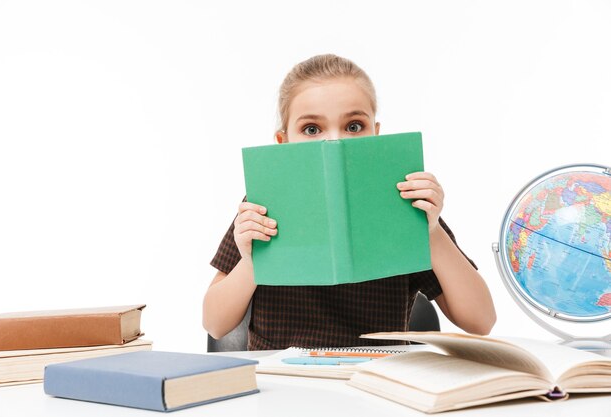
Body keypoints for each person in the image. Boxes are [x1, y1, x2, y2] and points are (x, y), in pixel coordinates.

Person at [203, 54, 496, 350]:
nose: (334, 142)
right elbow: (215, 324)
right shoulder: (263, 205)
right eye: (312, 129)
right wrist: (254, 261)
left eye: (354, 126)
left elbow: (480, 321)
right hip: (284, 385)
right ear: (284, 141)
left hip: (375, 381)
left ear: (375, 134)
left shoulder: (405, 202)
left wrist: (431, 232)